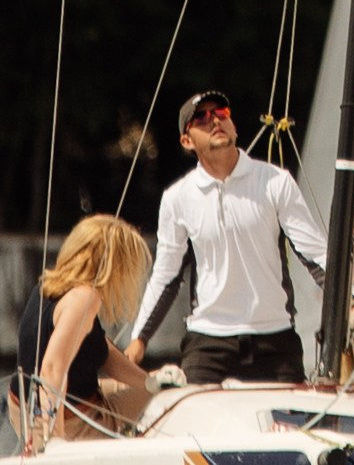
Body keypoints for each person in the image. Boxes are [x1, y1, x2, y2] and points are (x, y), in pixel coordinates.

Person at [129, 90, 328, 387]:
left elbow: (316, 255)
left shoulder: (275, 181)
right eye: (202, 118)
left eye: (221, 113)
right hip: (208, 342)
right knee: (194, 429)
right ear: (187, 141)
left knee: (291, 429)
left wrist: (352, 303)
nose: (215, 121)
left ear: (233, 125)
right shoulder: (177, 198)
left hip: (276, 341)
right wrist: (138, 341)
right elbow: (166, 276)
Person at [14, 214, 153, 449]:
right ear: (113, 266)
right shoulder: (85, 299)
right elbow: (52, 368)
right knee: (175, 398)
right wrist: (54, 439)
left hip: (22, 406)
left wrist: (150, 381)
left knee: (159, 388)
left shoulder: (48, 287)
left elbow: (101, 351)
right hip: (74, 423)